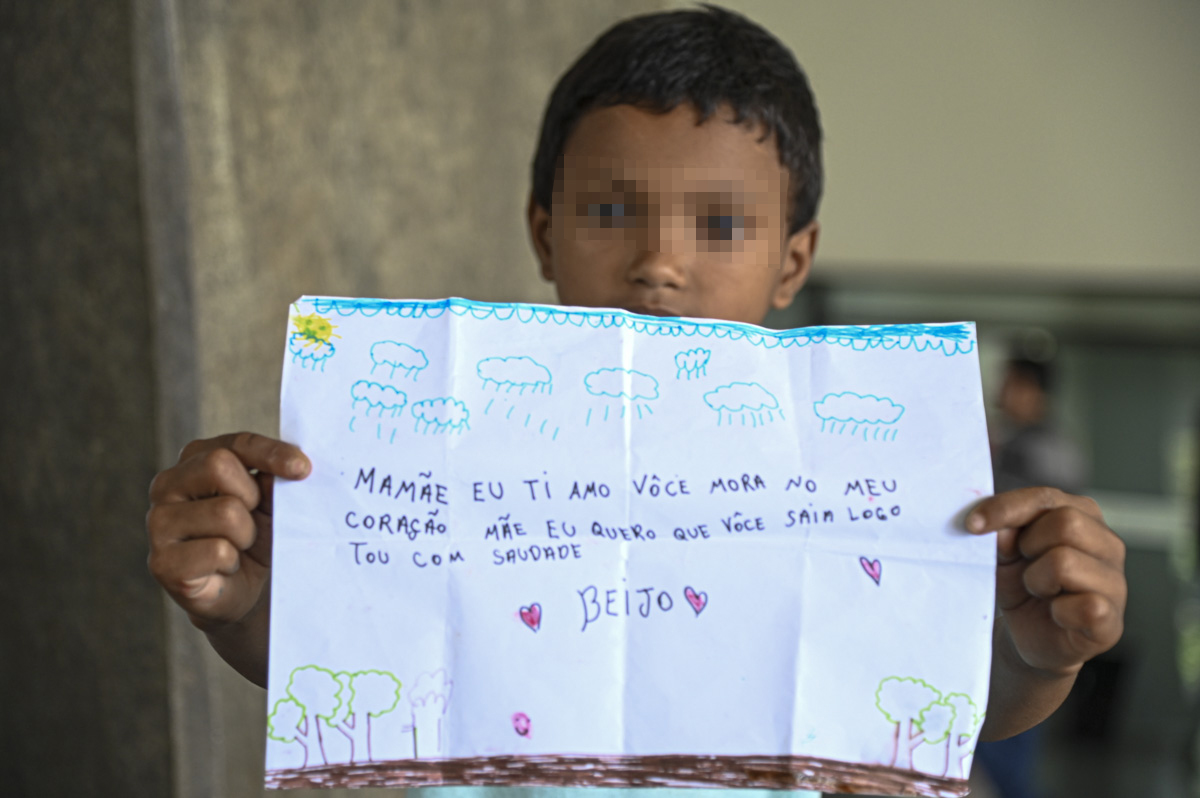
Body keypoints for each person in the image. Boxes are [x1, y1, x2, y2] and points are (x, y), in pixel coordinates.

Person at [146, 6, 1127, 796]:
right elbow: (366, 655)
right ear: (545, 234)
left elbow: (940, 690)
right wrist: (250, 604)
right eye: (611, 211)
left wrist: (1037, 655)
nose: (658, 261)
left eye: (722, 224)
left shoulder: (853, 470)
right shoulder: (444, 438)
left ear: (794, 261)